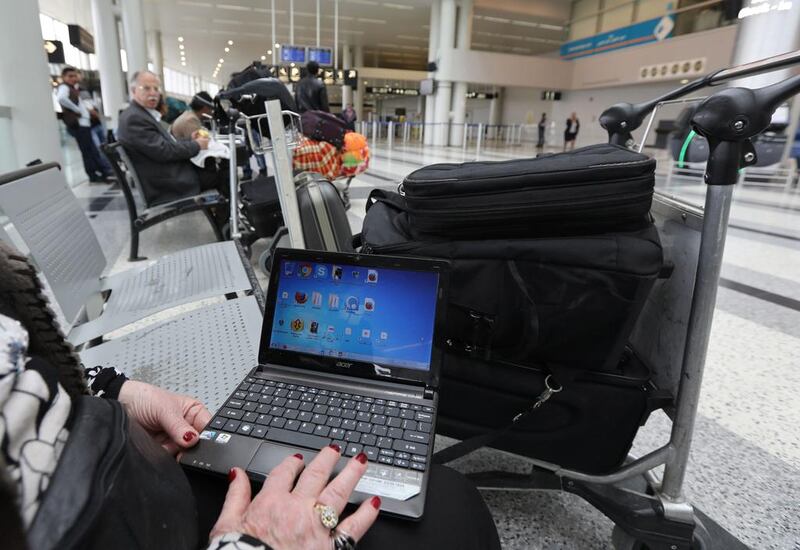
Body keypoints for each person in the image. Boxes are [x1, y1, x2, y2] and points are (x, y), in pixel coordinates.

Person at [0, 240, 502, 550]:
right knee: (454, 509)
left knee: (444, 499)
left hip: (121, 467)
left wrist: (119, 391)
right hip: (114, 520)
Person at [117, 71, 228, 209]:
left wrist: (189, 141)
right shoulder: (135, 118)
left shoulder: (139, 114)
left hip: (165, 176)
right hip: (166, 185)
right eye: (146, 88)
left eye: (156, 89)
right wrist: (196, 145)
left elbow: (164, 145)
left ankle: (224, 219)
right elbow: (164, 151)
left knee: (217, 166)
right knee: (224, 172)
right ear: (133, 90)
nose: (153, 93)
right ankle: (226, 224)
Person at [56, 66, 114, 183]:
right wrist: (76, 109)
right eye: (70, 76)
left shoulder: (73, 89)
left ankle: (101, 172)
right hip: (79, 124)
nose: (73, 78)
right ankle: (94, 174)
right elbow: (61, 98)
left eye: (74, 76)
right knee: (87, 151)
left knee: (91, 150)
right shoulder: (64, 87)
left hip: (84, 124)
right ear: (63, 77)